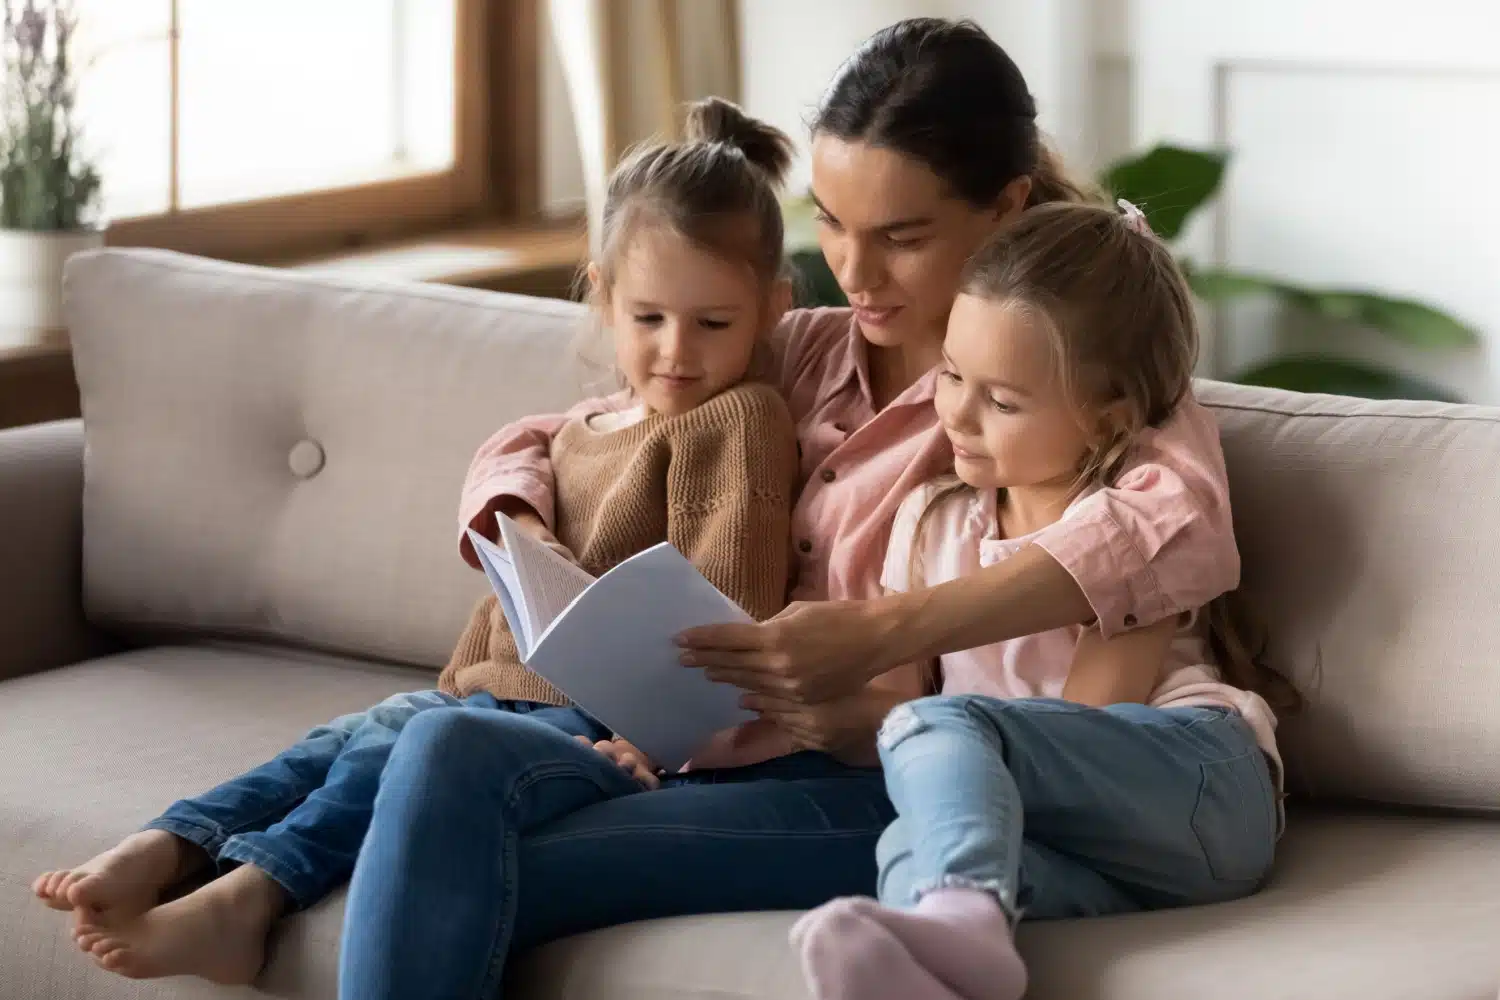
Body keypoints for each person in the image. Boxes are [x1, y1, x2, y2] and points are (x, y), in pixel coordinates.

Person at [336, 18, 1245, 1000]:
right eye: (833, 223)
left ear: (1006, 209)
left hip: (873, 769)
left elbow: (1166, 535)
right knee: (433, 734)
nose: (854, 272)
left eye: (900, 236)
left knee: (491, 845)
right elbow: (587, 419)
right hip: (741, 742)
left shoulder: (1081, 380)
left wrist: (872, 637)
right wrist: (526, 520)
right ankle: (249, 869)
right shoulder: (806, 348)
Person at [40, 96, 803, 987]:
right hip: (496, 697)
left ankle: (249, 894)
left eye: (714, 323)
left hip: (586, 728)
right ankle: (173, 843)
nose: (678, 351)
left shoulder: (739, 418)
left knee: (392, 751)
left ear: (774, 308)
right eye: (648, 319)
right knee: (340, 740)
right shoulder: (580, 425)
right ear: (600, 293)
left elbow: (727, 604)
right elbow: (514, 469)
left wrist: (662, 738)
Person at [791, 201, 1300, 1000]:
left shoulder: (1125, 524)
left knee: (938, 734)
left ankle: (962, 918)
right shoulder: (929, 519)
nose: (954, 411)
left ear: (1108, 421)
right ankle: (956, 954)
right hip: (1115, 862)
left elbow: (1090, 723)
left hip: (1194, 790)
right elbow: (889, 713)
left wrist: (926, 743)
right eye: (952, 374)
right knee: (905, 849)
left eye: (1003, 400)